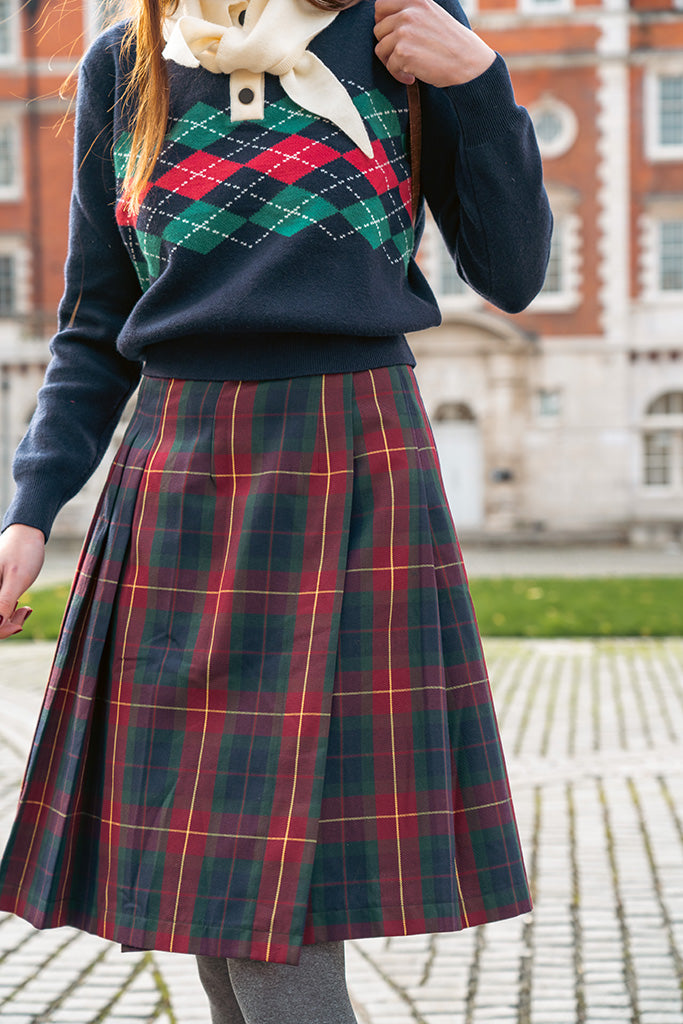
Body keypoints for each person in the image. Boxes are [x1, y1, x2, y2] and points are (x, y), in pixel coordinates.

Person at [0, 0, 551, 1020]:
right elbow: (95, 325)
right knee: (211, 901)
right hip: (175, 472)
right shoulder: (127, 65)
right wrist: (30, 509)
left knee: (262, 904)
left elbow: (513, 276)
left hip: (349, 463)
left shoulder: (399, 26)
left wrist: (477, 81)